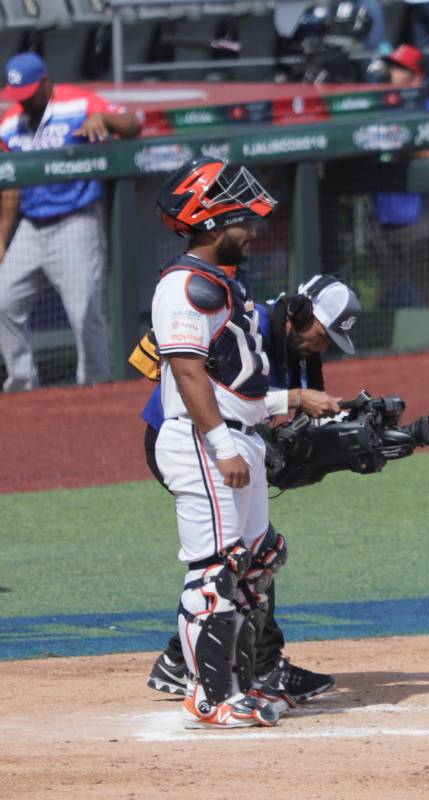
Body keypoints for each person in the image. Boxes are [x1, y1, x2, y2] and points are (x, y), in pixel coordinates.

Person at [143, 273, 356, 705]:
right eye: (322, 334)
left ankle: (181, 660)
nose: (322, 345)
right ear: (300, 313)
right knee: (242, 556)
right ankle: (260, 664)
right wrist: (294, 399)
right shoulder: (249, 321)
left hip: (227, 441)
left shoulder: (294, 349)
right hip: (191, 437)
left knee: (255, 554)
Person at [152, 156, 294, 729]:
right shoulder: (184, 286)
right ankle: (211, 696)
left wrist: (290, 404)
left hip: (236, 439)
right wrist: (222, 445)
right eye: (241, 222)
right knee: (218, 570)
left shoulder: (222, 283)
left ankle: (249, 682)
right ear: (211, 224)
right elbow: (187, 374)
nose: (251, 231)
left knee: (258, 562)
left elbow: (233, 382)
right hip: (202, 443)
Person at [0, 52, 142, 392]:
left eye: (29, 93)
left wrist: (103, 120)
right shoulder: (9, 122)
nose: (23, 101)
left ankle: (95, 385)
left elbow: (134, 125)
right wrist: (2, 239)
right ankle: (22, 382)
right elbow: (10, 187)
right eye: (17, 95)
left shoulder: (78, 101)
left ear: (45, 83)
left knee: (84, 312)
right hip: (31, 228)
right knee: (4, 300)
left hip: (76, 221)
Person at [373, 44, 429, 308]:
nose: (393, 74)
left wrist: (411, 150)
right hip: (384, 218)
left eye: (401, 69)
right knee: (391, 294)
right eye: (393, 68)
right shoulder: (382, 109)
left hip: (420, 219)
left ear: (418, 77)